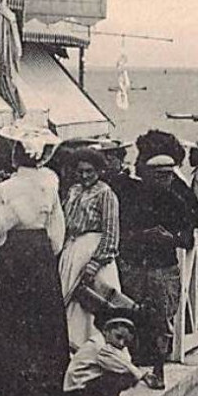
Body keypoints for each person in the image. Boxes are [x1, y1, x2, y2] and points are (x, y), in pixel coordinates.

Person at [0, 126, 71, 396]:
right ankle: (44, 392)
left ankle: (9, 391)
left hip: (16, 252)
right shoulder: (50, 182)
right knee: (42, 321)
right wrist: (48, 251)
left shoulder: (5, 187)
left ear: (17, 154)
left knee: (9, 318)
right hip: (40, 251)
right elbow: (58, 229)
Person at [117, 138, 197, 390]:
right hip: (134, 265)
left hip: (163, 268)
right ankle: (128, 369)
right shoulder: (132, 198)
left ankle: (158, 369)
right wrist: (143, 235)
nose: (165, 180)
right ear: (147, 175)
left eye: (168, 175)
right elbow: (122, 231)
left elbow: (188, 239)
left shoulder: (178, 202)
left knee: (162, 319)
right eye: (159, 175)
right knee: (130, 315)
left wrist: (169, 238)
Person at [58, 146, 121, 351]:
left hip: (94, 253)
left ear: (99, 171)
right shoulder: (73, 191)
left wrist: (95, 263)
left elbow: (111, 233)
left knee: (93, 303)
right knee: (70, 305)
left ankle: (98, 353)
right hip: (72, 251)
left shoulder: (105, 194)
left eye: (89, 171)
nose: (84, 176)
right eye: (80, 171)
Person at [63, 317, 145, 396]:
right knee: (117, 378)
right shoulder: (100, 346)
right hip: (77, 391)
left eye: (125, 342)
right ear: (106, 331)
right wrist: (141, 376)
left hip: (82, 388)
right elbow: (123, 365)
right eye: (118, 337)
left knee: (118, 378)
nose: (121, 343)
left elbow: (126, 360)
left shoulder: (111, 345)